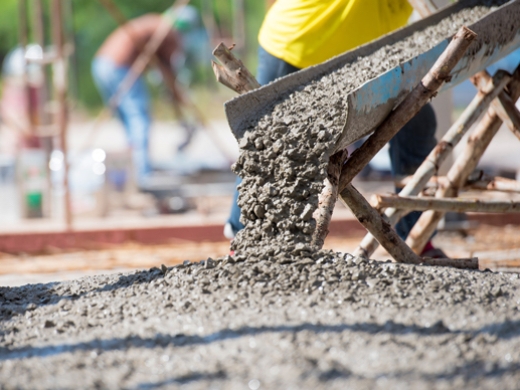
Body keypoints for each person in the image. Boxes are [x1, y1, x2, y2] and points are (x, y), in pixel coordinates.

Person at [224, 0, 443, 257]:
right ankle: (246, 242)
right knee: (272, 142)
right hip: (299, 44)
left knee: (416, 122)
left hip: (366, 53)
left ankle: (417, 238)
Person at [91, 13, 182, 188]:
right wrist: (175, 94)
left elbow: (162, 65)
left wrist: (173, 91)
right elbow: (168, 67)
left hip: (101, 64)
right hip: (119, 66)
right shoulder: (169, 32)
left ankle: (133, 167)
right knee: (139, 117)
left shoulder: (154, 24)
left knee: (128, 122)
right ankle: (142, 174)